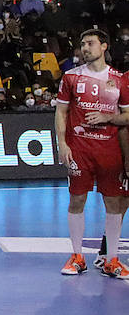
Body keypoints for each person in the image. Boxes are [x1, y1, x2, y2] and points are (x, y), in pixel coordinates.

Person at [55, 29, 129, 279]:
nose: (85, 48)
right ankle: (77, 257)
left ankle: (112, 260)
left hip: (109, 150)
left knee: (114, 203)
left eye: (90, 43)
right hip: (80, 149)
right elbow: (61, 112)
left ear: (104, 46)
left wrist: (109, 117)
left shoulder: (119, 79)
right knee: (76, 200)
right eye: (82, 44)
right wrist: (62, 144)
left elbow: (127, 115)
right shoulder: (70, 77)